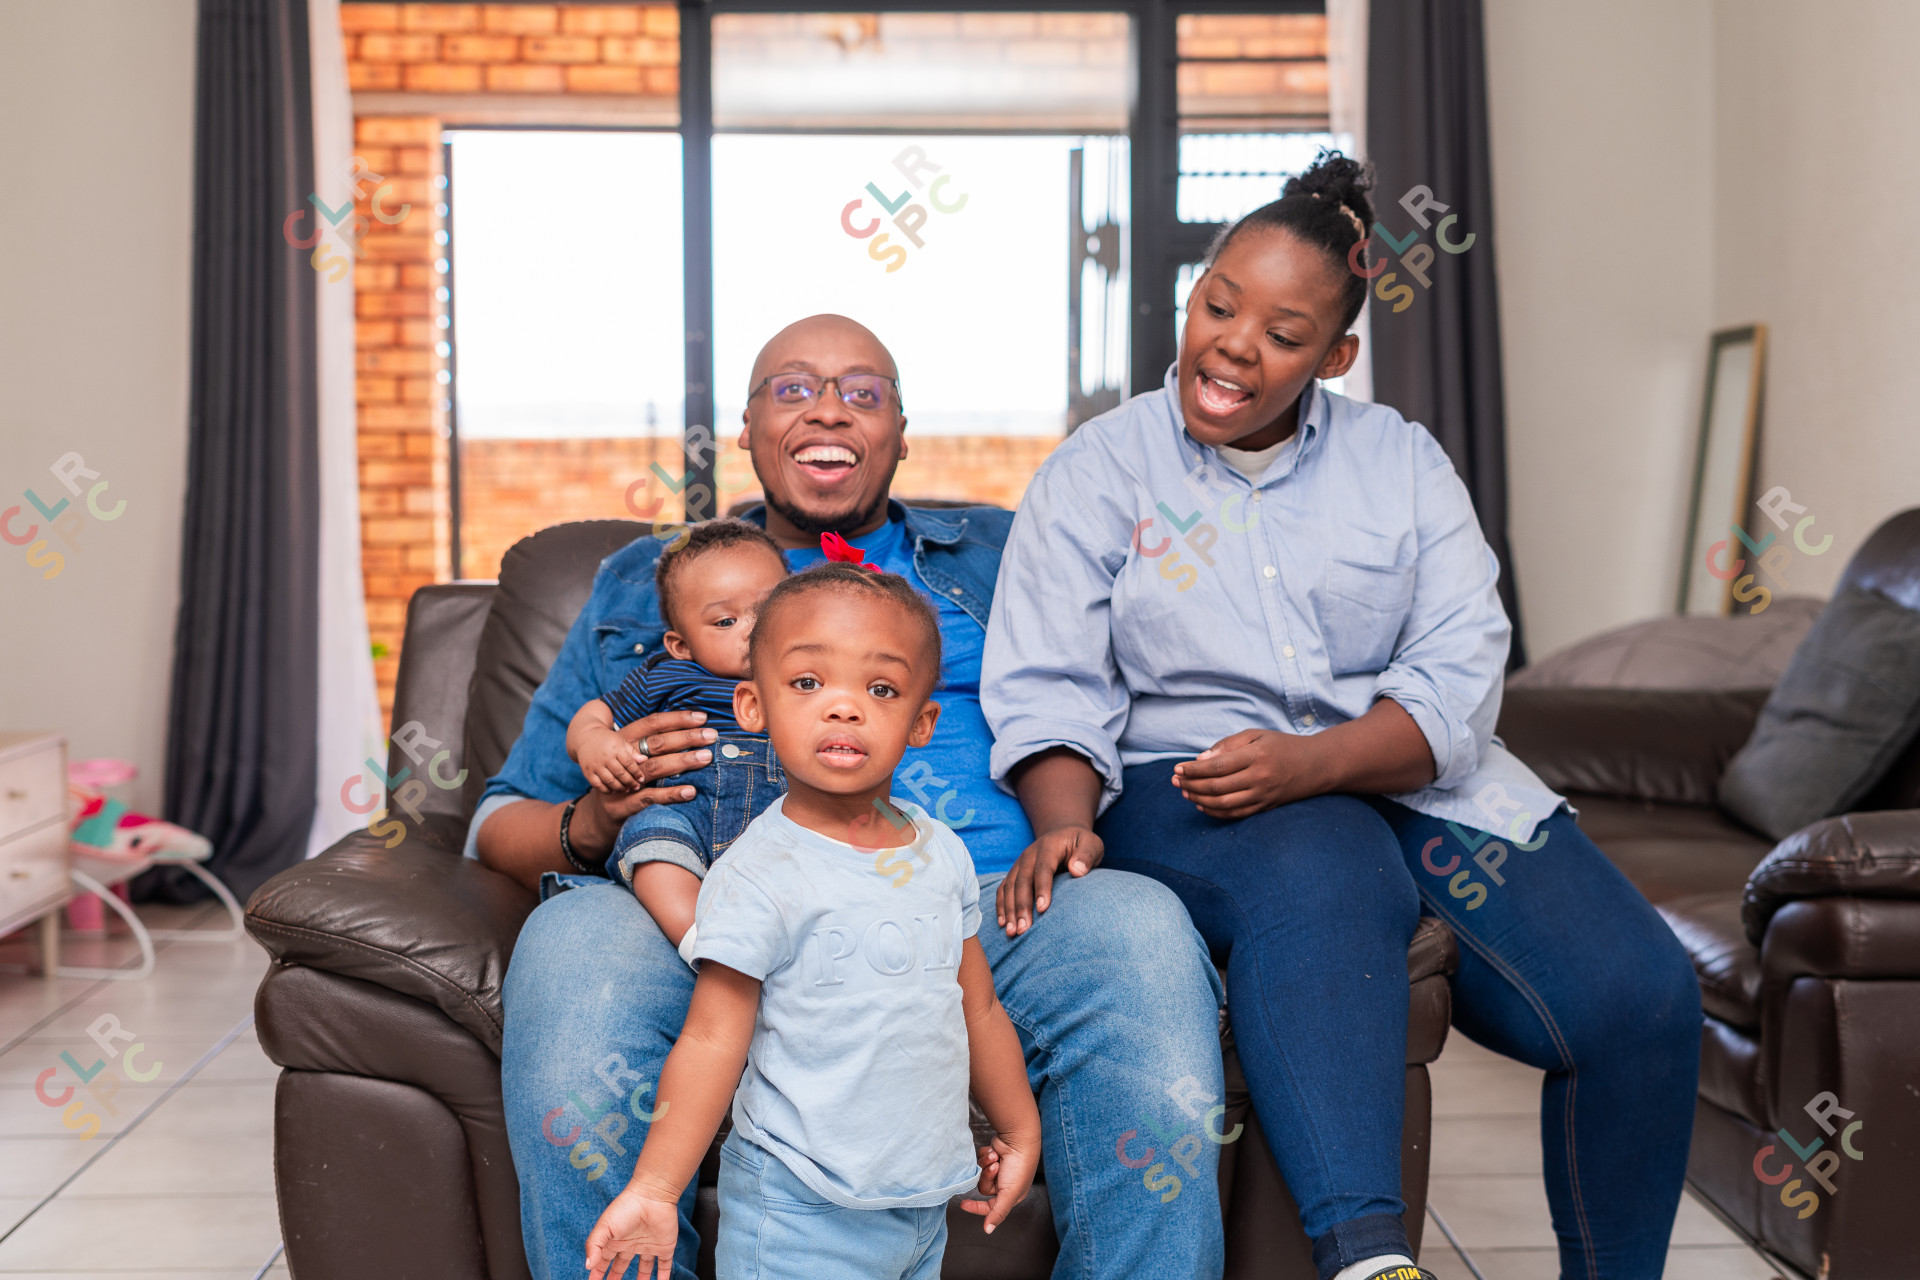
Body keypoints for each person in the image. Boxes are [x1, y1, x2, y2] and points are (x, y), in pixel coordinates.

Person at [982, 153, 1701, 1280]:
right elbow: (1048, 684)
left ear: (1335, 356)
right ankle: (1368, 1257)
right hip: (1195, 788)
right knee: (1329, 861)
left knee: (1641, 998)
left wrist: (1320, 759)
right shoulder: (1099, 470)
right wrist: (1064, 816)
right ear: (1195, 294)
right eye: (1220, 304)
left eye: (1282, 331)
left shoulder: (1401, 461)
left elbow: (1463, 662)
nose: (1233, 344)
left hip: (1415, 774)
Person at [472, 313, 1228, 1280]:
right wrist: (599, 818)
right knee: (575, 945)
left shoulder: (1000, 554)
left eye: (862, 393)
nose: (828, 407)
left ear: (902, 432)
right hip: (701, 924)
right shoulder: (649, 579)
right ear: (743, 430)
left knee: (1136, 925)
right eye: (792, 388)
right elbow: (499, 820)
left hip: (973, 914)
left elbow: (1127, 687)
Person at [584, 563, 1040, 1280]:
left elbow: (976, 1007)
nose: (843, 707)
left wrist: (1018, 1130)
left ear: (922, 723)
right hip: (798, 1213)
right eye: (807, 683)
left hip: (920, 1204)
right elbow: (710, 1041)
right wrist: (655, 1189)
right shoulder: (760, 872)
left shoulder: (941, 853)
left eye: (880, 688)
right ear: (753, 706)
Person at [566, 519, 790, 958]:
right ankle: (702, 944)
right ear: (681, 645)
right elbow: (595, 714)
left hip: (783, 825)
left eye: (768, 610)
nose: (751, 629)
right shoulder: (668, 674)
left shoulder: (807, 676)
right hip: (687, 813)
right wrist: (594, 741)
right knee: (654, 850)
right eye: (725, 621)